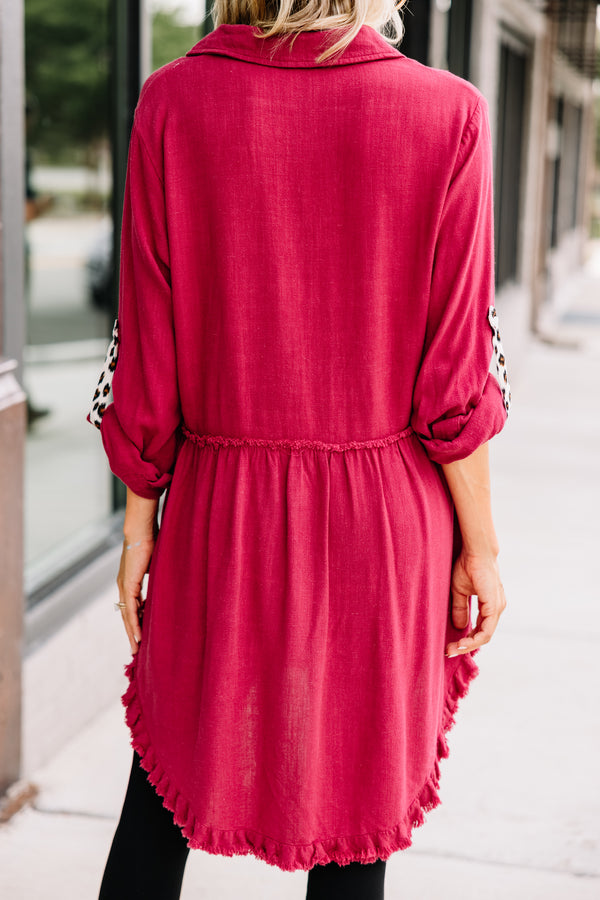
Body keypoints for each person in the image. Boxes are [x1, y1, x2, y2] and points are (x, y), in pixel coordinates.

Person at [90, 0, 509, 897]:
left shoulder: (174, 101)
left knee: (163, 784)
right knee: (356, 821)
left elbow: (146, 357)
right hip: (387, 520)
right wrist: (482, 545)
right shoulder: (448, 113)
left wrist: (139, 525)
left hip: (218, 508)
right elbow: (454, 378)